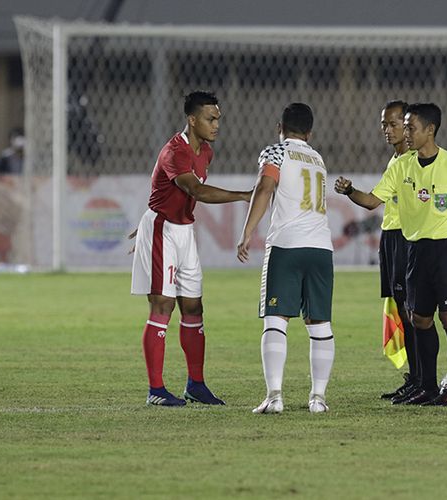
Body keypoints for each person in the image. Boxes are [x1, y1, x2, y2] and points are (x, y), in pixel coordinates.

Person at [335, 102, 447, 406]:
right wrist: (350, 191)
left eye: (410, 128)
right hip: (415, 251)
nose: (406, 133)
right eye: (404, 127)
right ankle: (427, 386)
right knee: (420, 320)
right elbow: (372, 201)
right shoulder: (401, 166)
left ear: (430, 130)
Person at [131, 91, 252, 406]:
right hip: (163, 230)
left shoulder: (206, 152)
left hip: (184, 230)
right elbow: (196, 190)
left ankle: (196, 385)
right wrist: (243, 195)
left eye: (218, 119)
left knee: (194, 307)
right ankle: (156, 390)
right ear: (192, 119)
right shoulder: (175, 151)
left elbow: (171, 193)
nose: (216, 125)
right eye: (211, 119)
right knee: (163, 306)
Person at [237, 102, 335, 415]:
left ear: (279, 127)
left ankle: (274, 396)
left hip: (287, 246)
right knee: (320, 322)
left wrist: (248, 231)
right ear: (310, 133)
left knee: (276, 319)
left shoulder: (276, 152)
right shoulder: (317, 158)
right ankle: (318, 398)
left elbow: (265, 187)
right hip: (321, 248)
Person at [342, 100, 419, 401]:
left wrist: (350, 191)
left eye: (393, 124)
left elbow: (372, 202)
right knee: (403, 310)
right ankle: (415, 378)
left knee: (413, 312)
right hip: (391, 238)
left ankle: (422, 380)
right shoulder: (396, 160)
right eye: (384, 124)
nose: (387, 130)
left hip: (406, 238)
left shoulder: (412, 161)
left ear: (407, 125)